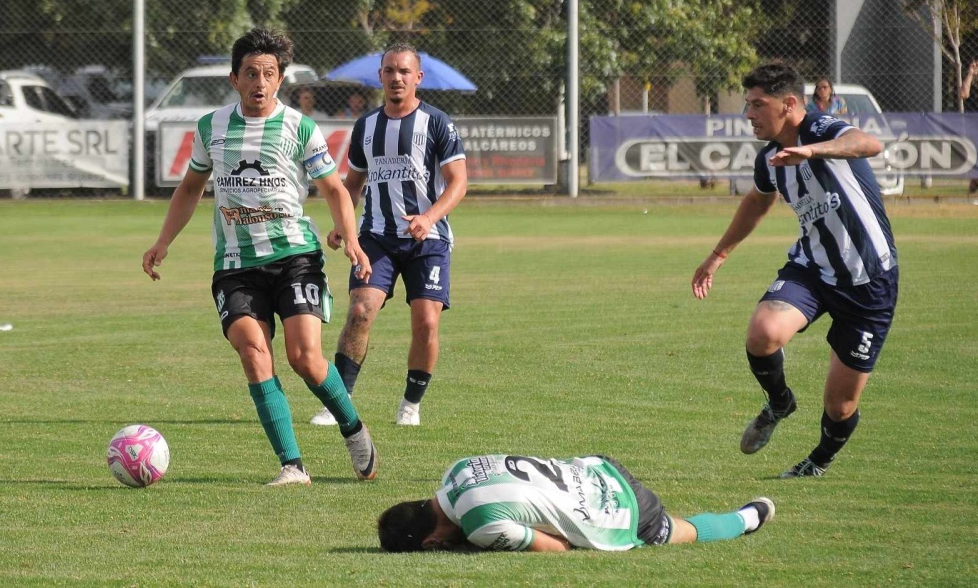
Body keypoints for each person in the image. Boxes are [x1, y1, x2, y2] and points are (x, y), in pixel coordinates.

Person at [141, 28, 379, 486]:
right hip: (235, 265)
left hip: (295, 256)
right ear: (234, 79)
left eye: (269, 74)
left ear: (281, 78)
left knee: (305, 358)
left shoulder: (299, 128)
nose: (260, 82)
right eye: (251, 73)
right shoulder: (212, 127)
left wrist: (351, 239)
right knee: (254, 353)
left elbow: (334, 189)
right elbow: (190, 187)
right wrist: (163, 241)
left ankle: (352, 428)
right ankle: (292, 466)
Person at [692, 63, 898, 479]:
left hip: (868, 279)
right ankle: (780, 401)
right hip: (813, 269)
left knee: (840, 406)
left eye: (757, 105)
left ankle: (818, 460)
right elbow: (757, 201)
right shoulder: (769, 159)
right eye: (747, 105)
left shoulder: (823, 128)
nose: (748, 114)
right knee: (763, 333)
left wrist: (813, 151)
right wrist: (718, 255)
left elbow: (868, 143)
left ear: (788, 104)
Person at [310, 43, 468, 427]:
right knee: (360, 310)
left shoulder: (437, 123)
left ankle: (411, 404)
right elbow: (352, 185)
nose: (396, 78)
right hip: (376, 237)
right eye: (389, 71)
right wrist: (340, 225)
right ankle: (340, 401)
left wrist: (428, 217)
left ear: (418, 78)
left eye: (403, 71)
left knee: (427, 322)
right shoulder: (366, 126)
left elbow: (458, 182)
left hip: (427, 241)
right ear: (380, 76)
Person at [377, 454, 775, 552]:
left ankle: (747, 518)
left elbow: (559, 548)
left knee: (678, 533)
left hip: (617, 509)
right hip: (597, 468)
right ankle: (748, 514)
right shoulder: (457, 468)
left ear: (430, 542)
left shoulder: (482, 527)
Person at [959, 60, 978, 193]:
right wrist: (970, 74)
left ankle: (974, 182)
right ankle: (974, 182)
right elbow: (963, 94)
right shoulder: (972, 86)